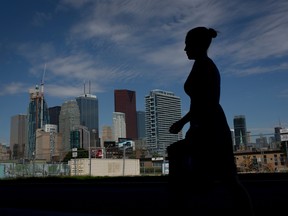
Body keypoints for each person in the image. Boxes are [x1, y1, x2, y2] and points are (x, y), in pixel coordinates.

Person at [167, 26, 254, 215]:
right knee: (225, 178)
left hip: (210, 128)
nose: (184, 49)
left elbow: (208, 102)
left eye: (187, 45)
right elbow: (199, 102)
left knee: (227, 178)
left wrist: (189, 124)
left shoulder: (205, 66)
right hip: (205, 125)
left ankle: (184, 204)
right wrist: (185, 122)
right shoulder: (200, 64)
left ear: (198, 45)